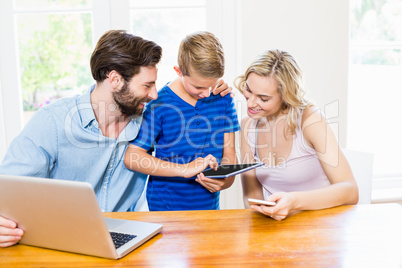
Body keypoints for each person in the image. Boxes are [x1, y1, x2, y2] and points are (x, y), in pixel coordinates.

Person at [0, 29, 232, 248]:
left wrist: (215, 90)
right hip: (61, 239)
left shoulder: (146, 118)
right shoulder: (52, 122)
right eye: (147, 85)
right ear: (115, 80)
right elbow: (7, 191)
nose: (154, 94)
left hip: (124, 239)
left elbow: (191, 124)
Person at [236, 49, 359, 221]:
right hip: (280, 228)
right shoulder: (247, 125)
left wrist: (294, 201)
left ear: (286, 96)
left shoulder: (311, 121)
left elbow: (350, 190)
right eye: (248, 90)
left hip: (324, 226)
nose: (250, 103)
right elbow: (252, 196)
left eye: (263, 99)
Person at [124, 31, 240, 211]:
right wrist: (184, 169)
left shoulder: (223, 98)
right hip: (165, 210)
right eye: (198, 87)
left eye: (212, 85)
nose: (207, 94)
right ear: (179, 72)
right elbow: (133, 157)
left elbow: (230, 153)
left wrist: (226, 181)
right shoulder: (159, 103)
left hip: (208, 209)